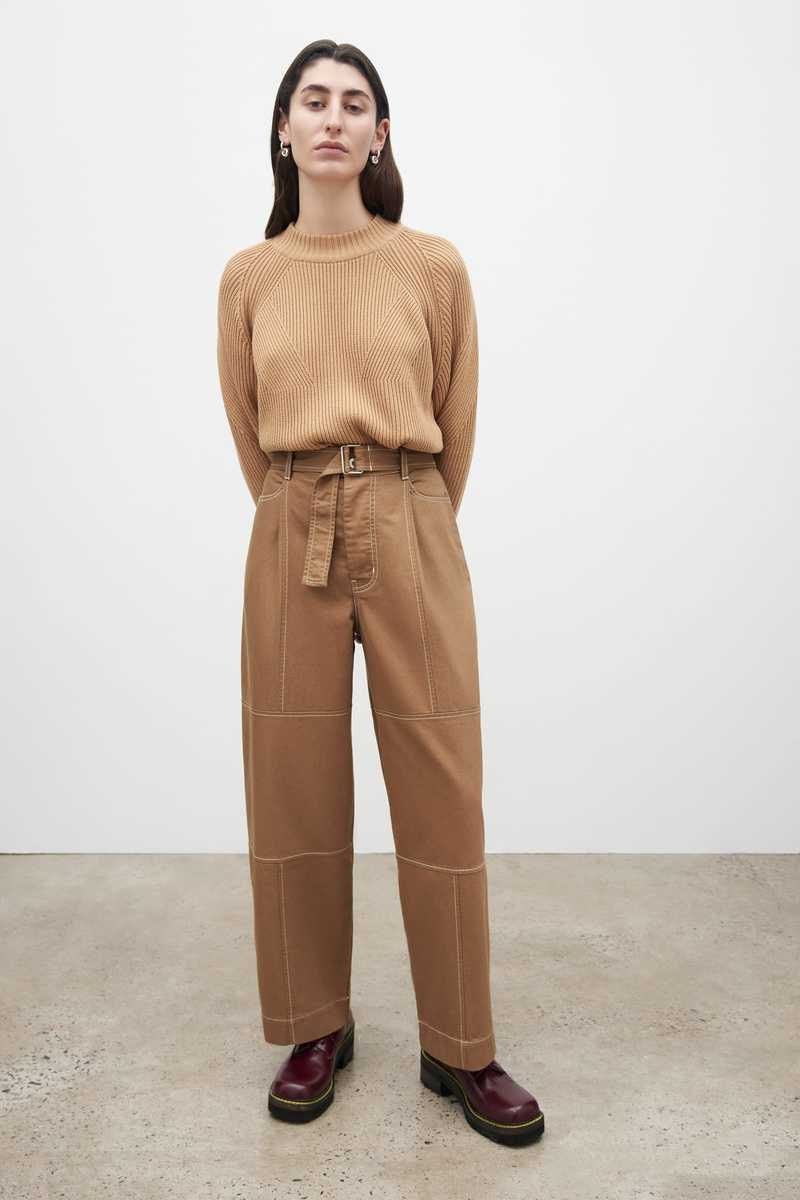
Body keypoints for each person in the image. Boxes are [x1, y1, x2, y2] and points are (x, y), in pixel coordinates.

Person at [216, 38, 545, 1147]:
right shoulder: (249, 277)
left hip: (410, 514)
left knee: (443, 782)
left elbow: (456, 419)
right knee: (293, 786)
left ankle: (461, 1044)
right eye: (312, 100)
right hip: (291, 524)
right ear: (283, 129)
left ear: (379, 134)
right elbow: (249, 430)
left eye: (354, 104)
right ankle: (315, 1025)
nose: (332, 118)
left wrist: (408, 513)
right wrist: (300, 504)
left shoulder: (430, 266)